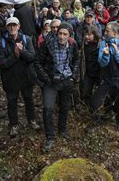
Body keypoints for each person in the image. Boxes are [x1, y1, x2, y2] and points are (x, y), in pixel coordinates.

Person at [34, 22, 79, 152]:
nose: (62, 36)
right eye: (60, 33)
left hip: (66, 80)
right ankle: (50, 136)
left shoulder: (72, 44)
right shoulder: (47, 44)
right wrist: (47, 79)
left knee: (65, 107)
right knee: (48, 108)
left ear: (69, 35)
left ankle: (62, 129)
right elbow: (37, 62)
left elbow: (76, 60)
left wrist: (73, 77)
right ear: (56, 33)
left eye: (65, 34)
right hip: (51, 81)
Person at [0, 16, 39, 138]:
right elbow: (0, 62)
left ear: (19, 26)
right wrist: (15, 56)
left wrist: (22, 51)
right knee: (11, 102)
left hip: (26, 77)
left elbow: (32, 57)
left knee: (29, 99)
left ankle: (32, 120)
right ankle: (14, 124)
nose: (12, 27)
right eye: (10, 25)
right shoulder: (1, 42)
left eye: (14, 25)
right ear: (7, 27)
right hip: (10, 79)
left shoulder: (27, 39)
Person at [90, 22, 119, 131]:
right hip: (106, 78)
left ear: (115, 33)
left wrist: (117, 53)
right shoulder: (103, 43)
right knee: (95, 102)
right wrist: (105, 55)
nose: (105, 32)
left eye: (107, 31)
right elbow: (102, 63)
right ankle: (102, 117)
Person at [80, 26, 102, 105]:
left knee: (99, 93)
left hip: (99, 73)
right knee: (86, 91)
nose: (87, 37)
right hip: (89, 72)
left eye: (89, 35)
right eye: (86, 34)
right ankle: (88, 106)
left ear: (95, 35)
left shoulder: (101, 45)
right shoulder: (85, 44)